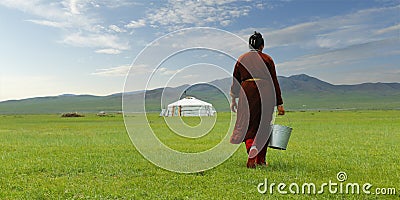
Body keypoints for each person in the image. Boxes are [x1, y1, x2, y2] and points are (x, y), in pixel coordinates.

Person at [230, 31, 285, 168]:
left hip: (246, 93)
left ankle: (251, 150)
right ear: (262, 46)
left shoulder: (242, 59)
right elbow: (274, 81)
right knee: (264, 125)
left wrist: (233, 99)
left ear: (249, 45)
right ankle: (260, 160)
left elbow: (236, 81)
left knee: (248, 125)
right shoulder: (267, 59)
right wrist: (279, 104)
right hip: (266, 93)